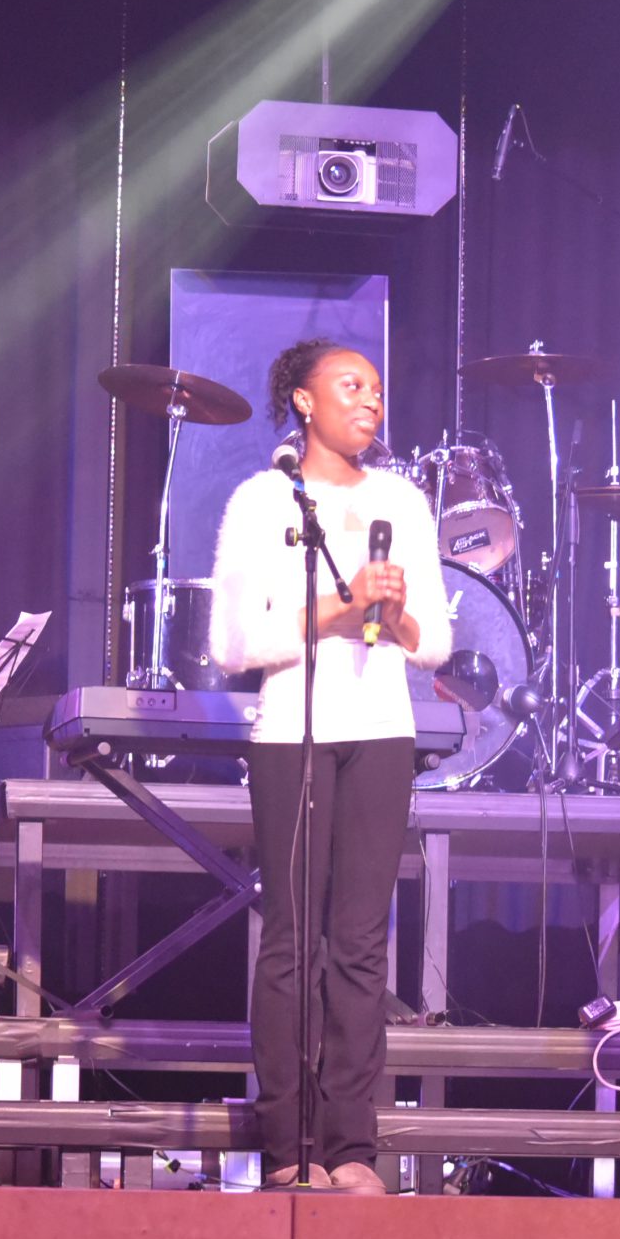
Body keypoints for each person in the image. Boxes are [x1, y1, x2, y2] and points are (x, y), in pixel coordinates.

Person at [210, 339, 450, 1194]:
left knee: (360, 944)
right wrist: (337, 611)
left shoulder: (403, 500)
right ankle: (287, 1143)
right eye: (352, 385)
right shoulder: (262, 499)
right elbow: (232, 641)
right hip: (292, 734)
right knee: (291, 941)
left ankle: (351, 1146)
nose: (371, 400)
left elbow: (436, 639)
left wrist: (395, 615)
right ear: (305, 402)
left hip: (381, 732)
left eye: (378, 389)